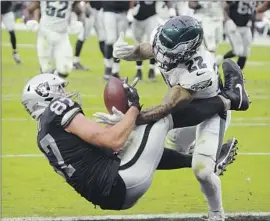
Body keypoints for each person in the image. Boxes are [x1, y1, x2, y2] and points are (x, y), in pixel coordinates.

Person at [22, 64, 241, 210]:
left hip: (111, 192)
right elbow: (112, 141)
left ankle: (195, 161)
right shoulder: (58, 109)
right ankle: (230, 99)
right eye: (57, 88)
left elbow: (111, 148)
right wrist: (134, 108)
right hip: (120, 182)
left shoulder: (44, 130)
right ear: (44, 93)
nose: (63, 92)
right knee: (161, 119)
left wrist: (123, 124)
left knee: (134, 138)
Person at [112, 16, 250, 220]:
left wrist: (130, 119)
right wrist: (129, 53)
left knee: (201, 171)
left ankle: (216, 214)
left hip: (210, 110)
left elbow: (166, 107)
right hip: (186, 107)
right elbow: (148, 49)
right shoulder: (165, 39)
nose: (161, 54)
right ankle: (213, 157)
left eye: (168, 51)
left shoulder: (200, 72)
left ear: (188, 52)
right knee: (170, 151)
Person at [26, 1, 82, 78]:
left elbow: (79, 11)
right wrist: (29, 20)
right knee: (46, 68)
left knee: (66, 69)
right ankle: (48, 84)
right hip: (45, 34)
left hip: (62, 36)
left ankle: (53, 78)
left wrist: (78, 21)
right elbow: (29, 9)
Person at [216, 1, 256, 70]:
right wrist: (227, 20)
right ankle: (220, 59)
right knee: (238, 51)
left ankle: (239, 72)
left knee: (245, 52)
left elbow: (254, 12)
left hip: (246, 26)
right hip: (234, 25)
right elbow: (225, 7)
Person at [130, 1, 159, 81]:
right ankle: (139, 70)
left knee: (152, 43)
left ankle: (151, 69)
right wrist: (130, 9)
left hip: (150, 16)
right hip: (136, 18)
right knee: (137, 45)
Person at [102, 1, 131, 80]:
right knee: (110, 40)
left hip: (123, 12)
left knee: (119, 42)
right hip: (109, 11)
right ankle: (108, 67)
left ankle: (116, 71)